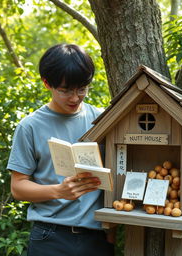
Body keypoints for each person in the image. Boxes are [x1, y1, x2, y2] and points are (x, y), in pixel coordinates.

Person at [7, 43, 114, 256]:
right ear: (47, 83)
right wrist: (58, 191)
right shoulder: (30, 126)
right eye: (65, 91)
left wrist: (112, 233)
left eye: (82, 89)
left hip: (97, 239)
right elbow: (17, 187)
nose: (75, 98)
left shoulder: (102, 121)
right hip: (50, 238)